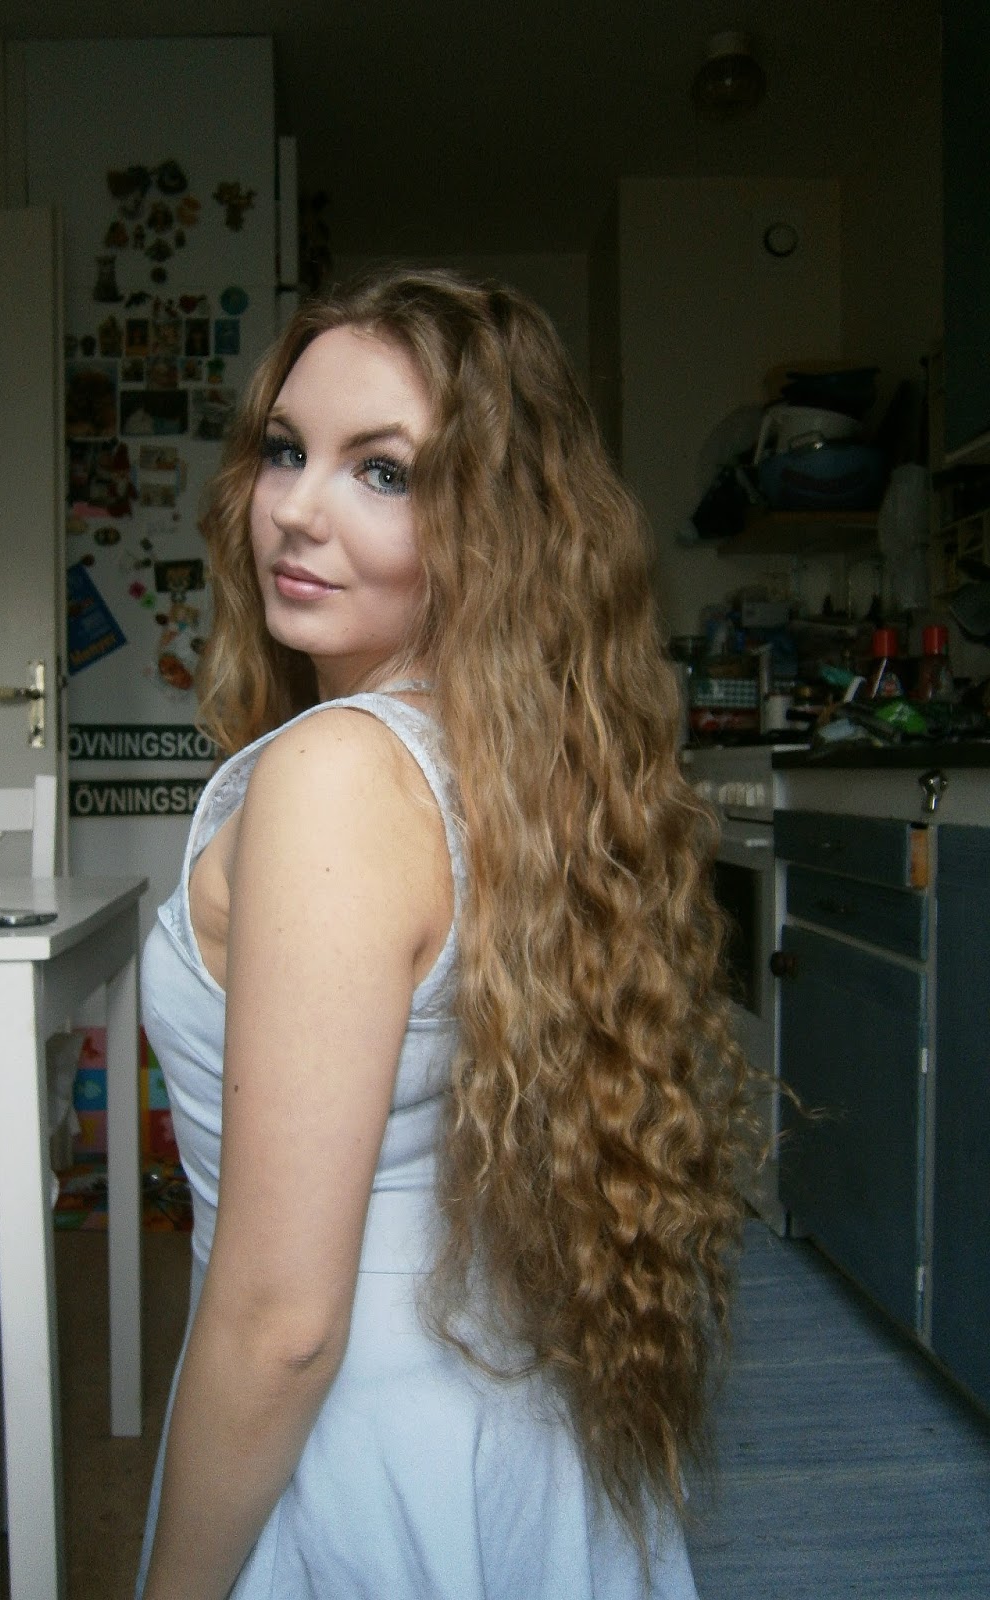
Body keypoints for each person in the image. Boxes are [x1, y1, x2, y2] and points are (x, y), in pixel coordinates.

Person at [136, 268, 753, 1600]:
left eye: (384, 472)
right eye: (286, 450)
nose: (295, 510)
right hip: (511, 1413)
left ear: (495, 526)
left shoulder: (337, 778)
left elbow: (284, 1326)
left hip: (364, 1447)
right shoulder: (520, 768)